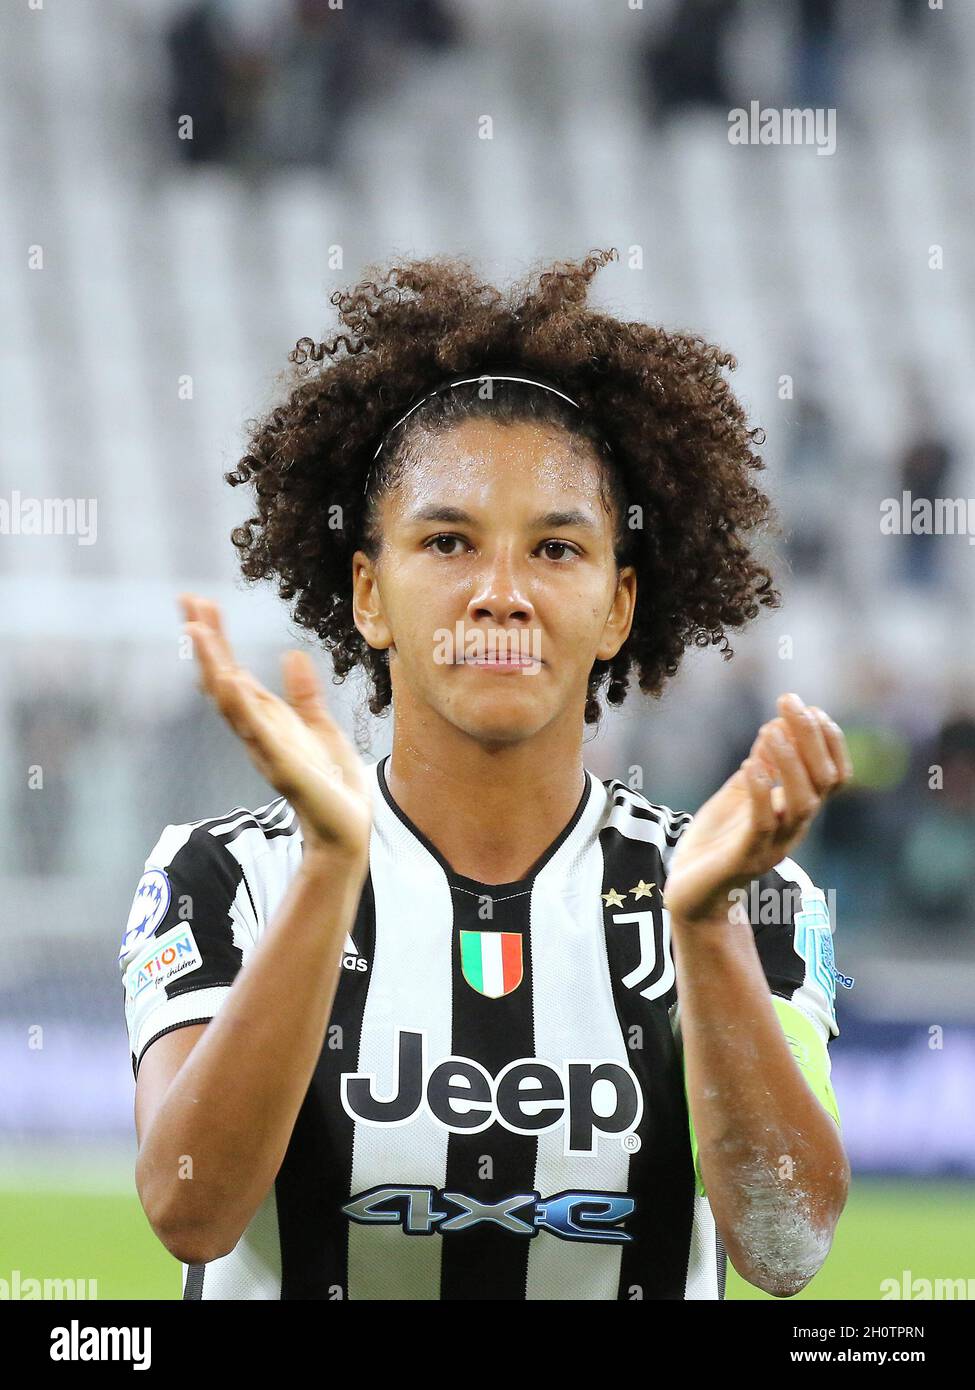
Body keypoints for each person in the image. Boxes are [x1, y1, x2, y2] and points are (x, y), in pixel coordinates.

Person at [119, 247, 852, 1301]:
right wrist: (331, 869)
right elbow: (190, 1210)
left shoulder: (745, 894)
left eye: (556, 551)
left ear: (618, 606)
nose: (500, 593)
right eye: (450, 540)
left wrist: (705, 931)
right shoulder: (221, 876)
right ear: (369, 593)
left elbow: (787, 1250)